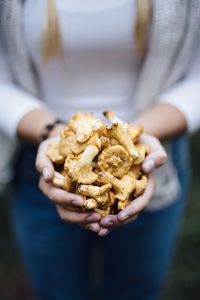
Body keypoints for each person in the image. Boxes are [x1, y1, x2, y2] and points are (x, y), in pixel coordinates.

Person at [0, 0, 200, 299]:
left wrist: (136, 139)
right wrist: (53, 132)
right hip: (41, 163)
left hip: (152, 158)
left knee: (134, 293)